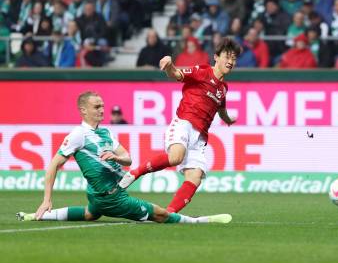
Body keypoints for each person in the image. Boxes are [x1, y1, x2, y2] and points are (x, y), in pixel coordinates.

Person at [17, 91, 231, 225]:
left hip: (99, 193)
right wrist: (47, 199)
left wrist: (117, 158)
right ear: (83, 110)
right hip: (110, 196)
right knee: (160, 214)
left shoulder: (106, 132)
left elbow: (128, 159)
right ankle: (200, 221)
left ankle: (36, 216)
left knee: (90, 215)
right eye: (96, 107)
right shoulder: (78, 135)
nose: (102, 110)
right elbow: (54, 165)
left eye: (102, 106)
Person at [119, 37, 242, 214]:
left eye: (234, 59)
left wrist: (228, 119)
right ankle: (135, 172)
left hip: (199, 137)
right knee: (176, 157)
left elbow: (221, 108)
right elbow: (177, 74)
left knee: (196, 176)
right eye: (227, 57)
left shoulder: (223, 88)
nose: (230, 61)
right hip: (184, 123)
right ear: (216, 57)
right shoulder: (202, 71)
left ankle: (169, 213)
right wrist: (169, 65)